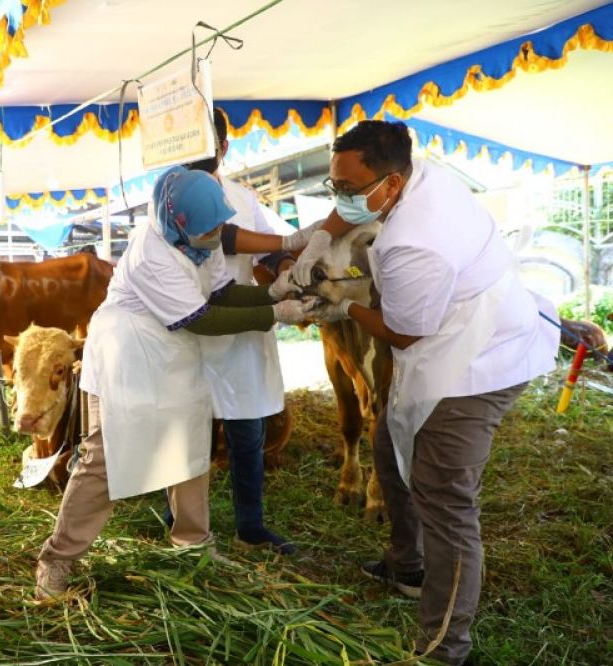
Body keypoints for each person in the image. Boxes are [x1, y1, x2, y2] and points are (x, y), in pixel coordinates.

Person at [298, 121, 558, 666]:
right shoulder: (413, 178)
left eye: (350, 187)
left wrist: (342, 306)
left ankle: (443, 646)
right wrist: (321, 235)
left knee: (447, 501)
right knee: (388, 442)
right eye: (335, 185)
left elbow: (402, 331)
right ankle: (405, 563)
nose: (341, 198)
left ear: (389, 184)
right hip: (446, 340)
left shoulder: (416, 241)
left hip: (476, 362)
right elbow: (352, 206)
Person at [34, 166, 316, 601]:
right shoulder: (153, 252)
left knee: (189, 444)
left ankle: (193, 544)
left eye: (220, 224)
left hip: (171, 350)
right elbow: (203, 319)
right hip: (128, 353)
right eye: (211, 228)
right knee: (105, 458)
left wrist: (272, 293)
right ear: (178, 221)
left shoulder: (201, 238)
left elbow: (220, 294)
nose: (218, 233)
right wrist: (274, 315)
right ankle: (57, 561)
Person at [178, 108, 295, 553]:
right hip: (189, 326)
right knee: (189, 429)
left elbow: (265, 249)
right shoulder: (168, 198)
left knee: (247, 431)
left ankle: (251, 526)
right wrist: (286, 247)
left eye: (205, 149)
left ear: (224, 149)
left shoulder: (244, 199)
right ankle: (183, 521)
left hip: (242, 324)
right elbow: (224, 239)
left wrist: (284, 266)